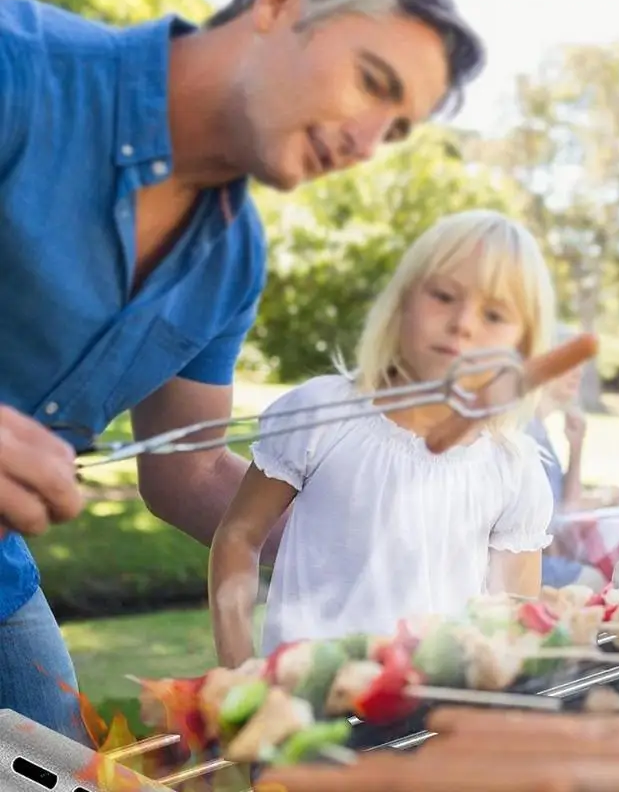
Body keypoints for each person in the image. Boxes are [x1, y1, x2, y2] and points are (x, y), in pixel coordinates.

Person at [0, 0, 484, 742]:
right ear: (278, 4)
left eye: (394, 132)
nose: (366, 142)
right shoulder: (19, 66)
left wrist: (396, 559)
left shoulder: (232, 262)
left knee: (65, 770)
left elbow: (188, 474)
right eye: (370, 82)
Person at [208, 210, 557, 663]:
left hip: (432, 721)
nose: (464, 324)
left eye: (494, 314)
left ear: (522, 347)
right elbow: (239, 536)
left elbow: (514, 620)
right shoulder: (322, 414)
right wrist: (240, 674)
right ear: (403, 300)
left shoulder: (513, 467)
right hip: (307, 708)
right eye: (444, 296)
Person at [524, 326, 604, 590]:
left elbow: (566, 505)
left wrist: (576, 447)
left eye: (581, 365)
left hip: (536, 557)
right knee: (598, 579)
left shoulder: (539, 428)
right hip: (519, 565)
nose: (578, 373)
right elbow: (543, 521)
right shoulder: (525, 431)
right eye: (569, 364)